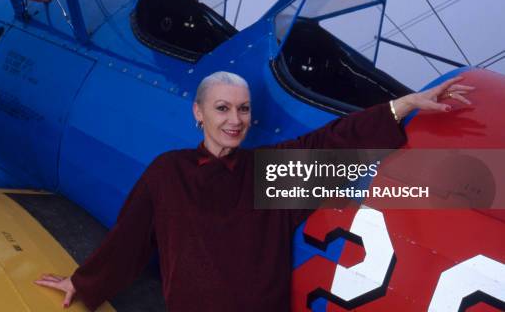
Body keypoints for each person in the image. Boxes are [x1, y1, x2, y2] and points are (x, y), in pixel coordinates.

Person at [35, 71, 473, 311]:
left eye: (243, 109)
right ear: (198, 113)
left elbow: (333, 142)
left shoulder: (267, 174)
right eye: (222, 108)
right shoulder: (167, 172)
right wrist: (84, 283)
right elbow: (128, 241)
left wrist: (405, 105)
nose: (235, 119)